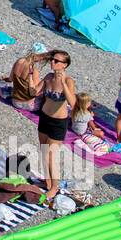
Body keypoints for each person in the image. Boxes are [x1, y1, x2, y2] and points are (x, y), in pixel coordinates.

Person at [34, 49, 75, 200]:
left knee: (52, 156)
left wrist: (63, 83)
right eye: (52, 59)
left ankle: (54, 187)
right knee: (44, 152)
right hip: (45, 117)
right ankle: (48, 181)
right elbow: (34, 91)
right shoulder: (49, 77)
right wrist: (33, 76)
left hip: (58, 122)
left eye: (56, 61)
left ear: (65, 65)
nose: (52, 62)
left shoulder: (69, 81)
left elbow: (73, 103)